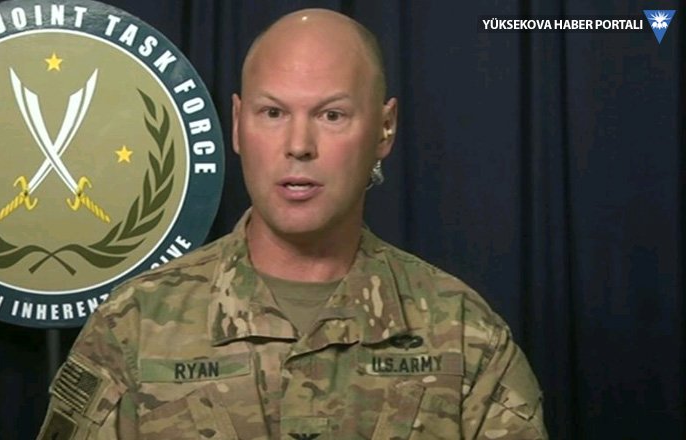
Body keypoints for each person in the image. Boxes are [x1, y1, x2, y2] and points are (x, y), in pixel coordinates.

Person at [37, 8, 547, 439]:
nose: (299, 145)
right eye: (273, 113)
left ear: (385, 127)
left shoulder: (465, 336)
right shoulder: (133, 326)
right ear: (238, 125)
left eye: (331, 116)